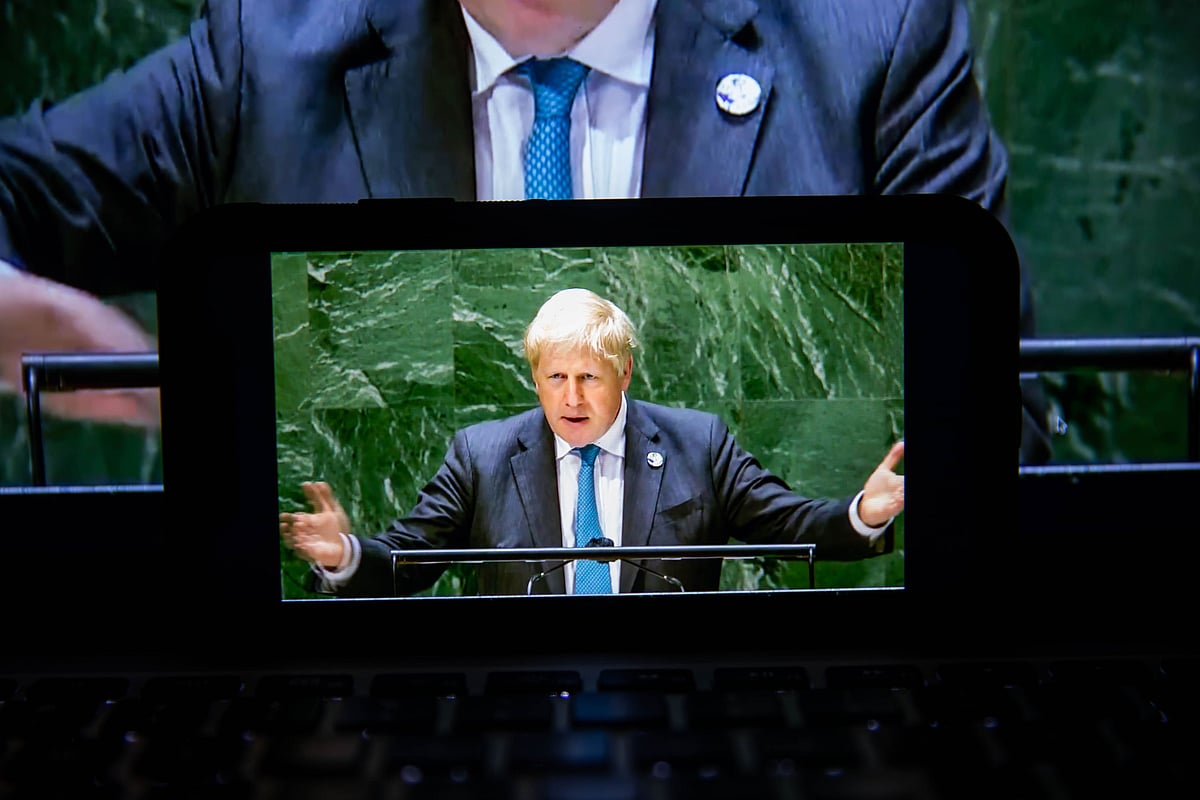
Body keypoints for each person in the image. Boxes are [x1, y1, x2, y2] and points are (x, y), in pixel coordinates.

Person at [0, 0, 1051, 460]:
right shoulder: (262, 54)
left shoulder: (876, 40)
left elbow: (1004, 432)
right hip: (381, 683)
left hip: (766, 669)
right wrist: (133, 373)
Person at [280, 288, 905, 596]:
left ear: (624, 374)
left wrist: (863, 514)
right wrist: (344, 555)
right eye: (555, 378)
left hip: (670, 694)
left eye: (588, 378)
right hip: (521, 696)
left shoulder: (698, 443)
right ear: (535, 379)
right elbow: (410, 556)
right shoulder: (482, 454)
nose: (571, 398)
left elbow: (786, 524)